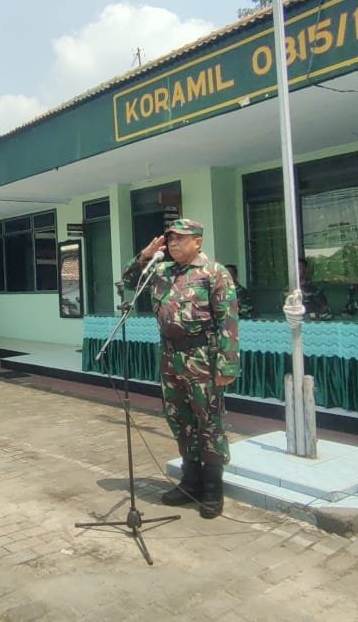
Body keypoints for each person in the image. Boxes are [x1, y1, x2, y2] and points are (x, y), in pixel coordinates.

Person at [122, 218, 240, 519]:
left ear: (197, 242)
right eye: (170, 239)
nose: (173, 244)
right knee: (179, 419)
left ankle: (213, 488)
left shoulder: (214, 273)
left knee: (209, 422)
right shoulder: (160, 271)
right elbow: (126, 281)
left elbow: (228, 320)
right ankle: (191, 481)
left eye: (180, 239)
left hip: (202, 357)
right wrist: (145, 256)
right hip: (170, 357)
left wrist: (227, 365)